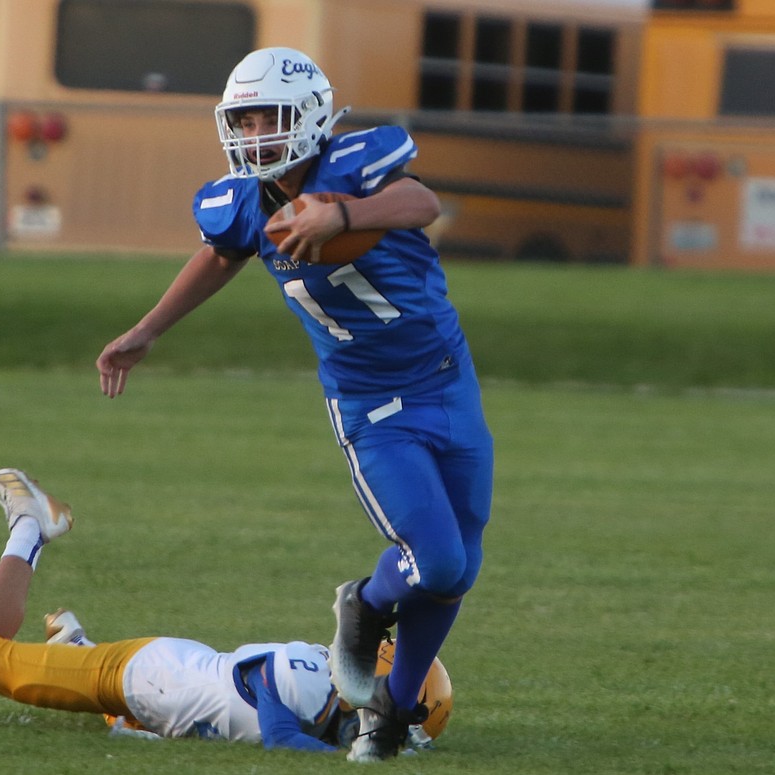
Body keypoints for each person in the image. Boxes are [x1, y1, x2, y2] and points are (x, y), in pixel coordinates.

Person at [94, 47, 493, 762]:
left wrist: (343, 212)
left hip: (446, 379)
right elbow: (220, 255)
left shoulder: (356, 165)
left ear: (309, 116)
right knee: (434, 560)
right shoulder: (242, 203)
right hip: (372, 404)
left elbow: (423, 203)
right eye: (240, 119)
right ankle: (366, 604)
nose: (251, 134)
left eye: (265, 117)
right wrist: (147, 328)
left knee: (461, 565)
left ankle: (390, 717)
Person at [0, 467, 340, 752]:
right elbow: (281, 738)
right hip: (140, 672)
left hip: (168, 691)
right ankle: (31, 525)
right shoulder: (312, 671)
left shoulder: (346, 705)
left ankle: (75, 647)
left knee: (139, 720)